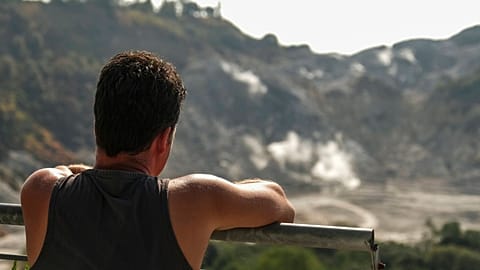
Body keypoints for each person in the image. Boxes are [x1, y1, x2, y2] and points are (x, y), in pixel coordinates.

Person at [20, 50, 295, 270]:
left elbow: (66, 173)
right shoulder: (195, 199)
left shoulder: (41, 189)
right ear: (164, 139)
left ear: (96, 127)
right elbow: (279, 203)